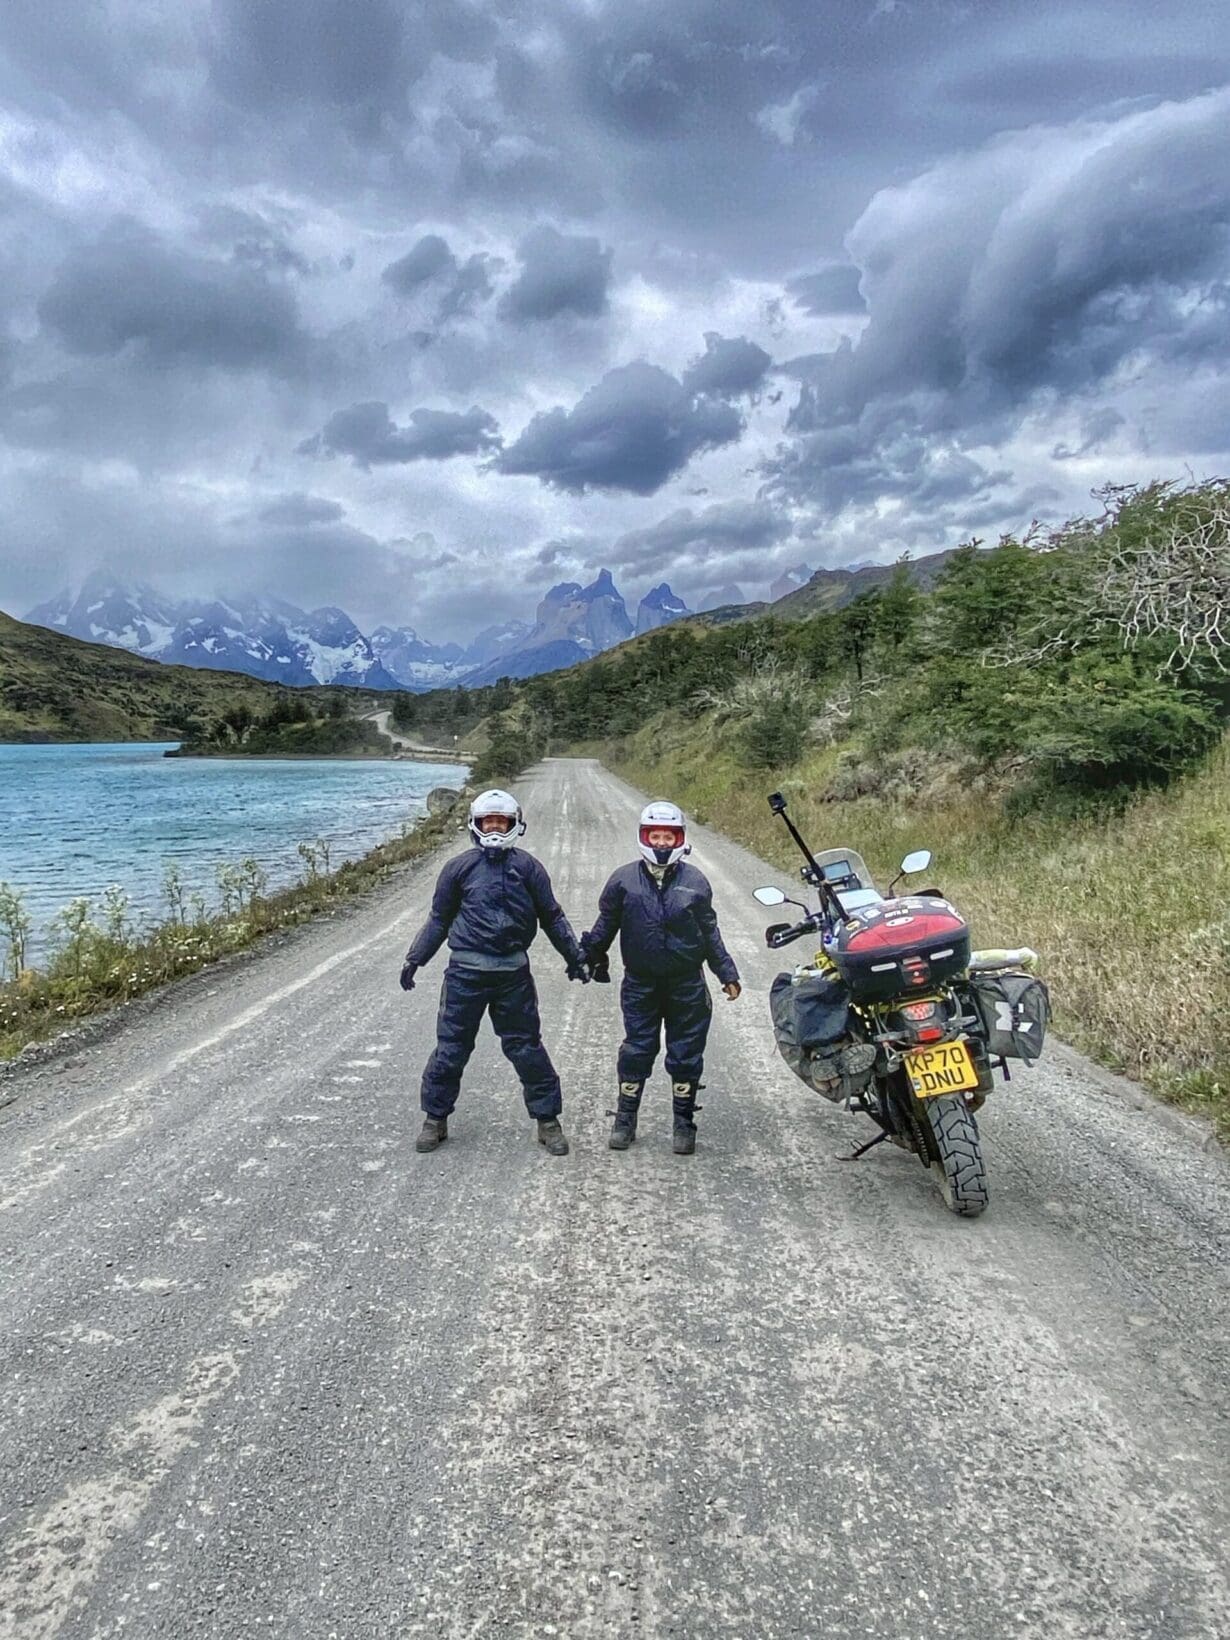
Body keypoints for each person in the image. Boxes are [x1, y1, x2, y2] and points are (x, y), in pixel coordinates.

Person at [399, 788, 590, 1156]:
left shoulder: (529, 868)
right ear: (476, 824)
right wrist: (416, 958)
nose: (495, 829)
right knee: (451, 1049)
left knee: (526, 1049)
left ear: (515, 824)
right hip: (464, 976)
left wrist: (575, 956)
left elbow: (552, 916)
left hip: (512, 976)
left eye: (502, 822)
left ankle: (547, 1121)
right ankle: (434, 1119)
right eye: (489, 822)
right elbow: (439, 919)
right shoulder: (458, 868)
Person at [581, 800, 741, 1155]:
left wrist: (726, 972)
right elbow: (604, 927)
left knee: (686, 1052)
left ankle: (684, 1122)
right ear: (643, 836)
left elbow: (710, 932)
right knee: (638, 1048)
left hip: (687, 983)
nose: (662, 842)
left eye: (669, 836)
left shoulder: (695, 881)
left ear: (680, 839)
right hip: (640, 983)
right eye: (656, 835)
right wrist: (588, 957)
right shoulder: (622, 881)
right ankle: (625, 1118)